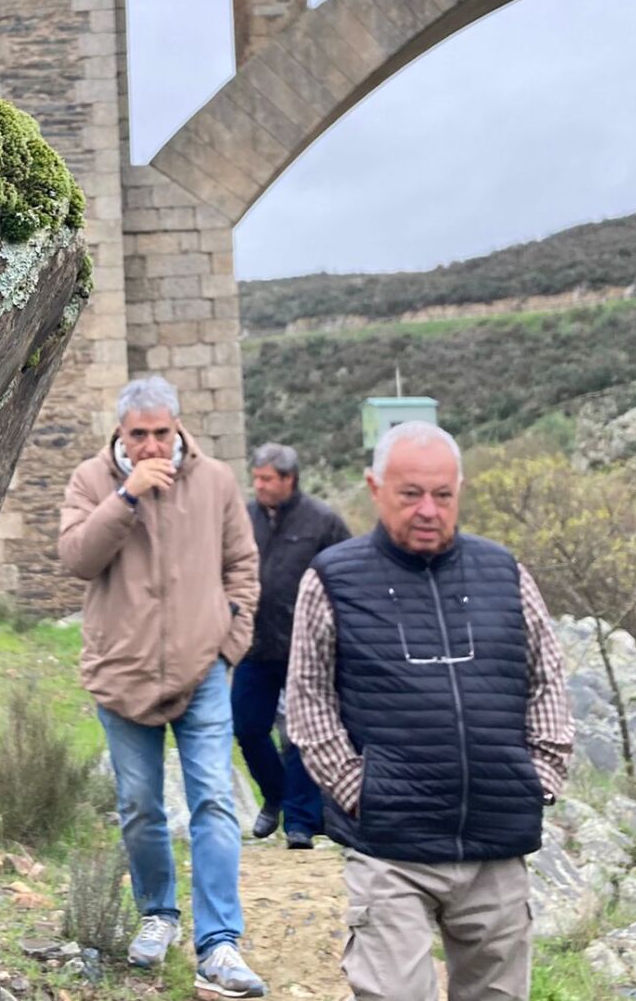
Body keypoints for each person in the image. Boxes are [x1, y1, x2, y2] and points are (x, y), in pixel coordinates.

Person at [285, 421, 574, 1001]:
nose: (428, 510)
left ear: (458, 491)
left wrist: (538, 778)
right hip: (391, 850)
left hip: (495, 845)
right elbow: (307, 701)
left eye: (442, 495)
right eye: (410, 493)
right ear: (375, 488)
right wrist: (359, 790)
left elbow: (548, 680)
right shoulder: (333, 579)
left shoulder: (505, 574)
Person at [58, 376, 267, 999]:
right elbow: (76, 559)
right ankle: (158, 914)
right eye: (138, 434)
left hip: (202, 670)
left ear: (177, 427)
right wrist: (126, 496)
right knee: (141, 805)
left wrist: (229, 643)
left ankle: (220, 942)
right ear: (120, 434)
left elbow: (243, 565)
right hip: (122, 674)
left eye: (160, 432)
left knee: (214, 801)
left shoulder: (215, 481)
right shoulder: (90, 481)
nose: (151, 445)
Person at [238, 442, 350, 850]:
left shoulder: (323, 521)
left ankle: (301, 822)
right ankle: (276, 794)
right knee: (247, 726)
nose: (259, 485)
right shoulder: (243, 518)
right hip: (253, 644)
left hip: (307, 647)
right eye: (256, 478)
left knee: (302, 733)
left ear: (289, 479)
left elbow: (347, 575)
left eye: (267, 479)